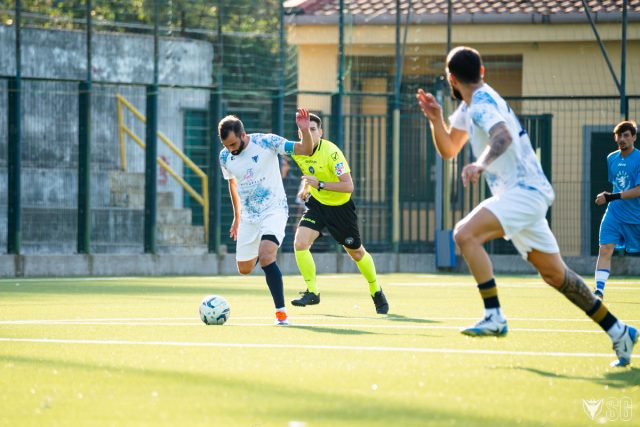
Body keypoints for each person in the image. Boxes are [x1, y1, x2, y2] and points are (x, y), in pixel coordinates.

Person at [416, 46, 636, 367]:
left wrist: (479, 165)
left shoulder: (481, 103)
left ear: (450, 77)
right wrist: (436, 119)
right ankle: (618, 330)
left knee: (464, 235)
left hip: (523, 192)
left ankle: (494, 315)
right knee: (555, 275)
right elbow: (450, 148)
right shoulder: (470, 105)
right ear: (482, 72)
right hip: (525, 194)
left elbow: (501, 135)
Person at [218, 109, 313, 325]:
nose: (230, 150)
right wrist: (237, 216)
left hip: (274, 209)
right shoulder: (224, 157)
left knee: (267, 256)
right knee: (244, 269)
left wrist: (305, 130)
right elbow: (232, 183)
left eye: (233, 144)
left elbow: (306, 149)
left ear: (243, 135)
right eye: (226, 146)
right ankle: (264, 255)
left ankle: (281, 313)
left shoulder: (267, 142)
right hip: (249, 217)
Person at [288, 113, 389, 314]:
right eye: (303, 131)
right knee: (300, 243)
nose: (307, 134)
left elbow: (348, 186)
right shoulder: (298, 151)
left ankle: (375, 289)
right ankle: (312, 292)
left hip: (341, 209)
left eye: (312, 129)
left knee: (357, 253)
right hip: (317, 205)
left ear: (321, 132)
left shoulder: (332, 152)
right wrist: (307, 187)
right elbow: (310, 172)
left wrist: (321, 185)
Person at [593, 121, 640, 299]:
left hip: (636, 216)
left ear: (634, 137)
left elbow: (638, 190)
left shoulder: (639, 159)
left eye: (626, 135)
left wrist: (610, 196)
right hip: (614, 214)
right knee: (605, 248)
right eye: (619, 136)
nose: (622, 139)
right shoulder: (611, 158)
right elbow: (616, 185)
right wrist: (611, 198)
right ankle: (599, 291)